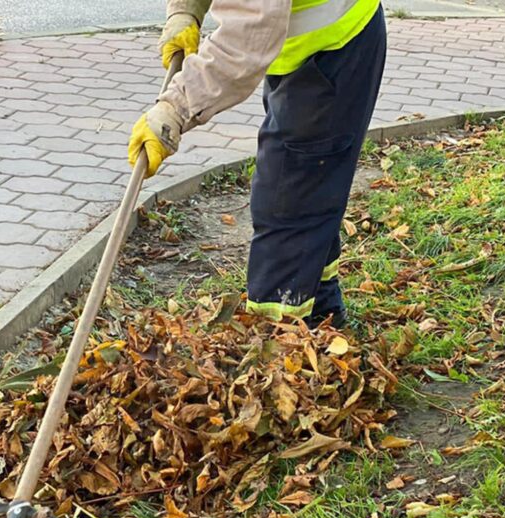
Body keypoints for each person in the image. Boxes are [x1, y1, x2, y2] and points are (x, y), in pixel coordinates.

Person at [128, 0, 387, 329]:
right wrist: (186, 8)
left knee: (286, 205)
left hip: (335, 49)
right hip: (309, 48)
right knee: (308, 191)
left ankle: (278, 345)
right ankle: (323, 315)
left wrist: (177, 108)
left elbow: (248, 37)